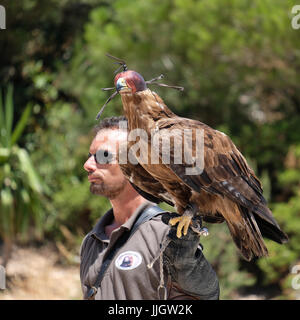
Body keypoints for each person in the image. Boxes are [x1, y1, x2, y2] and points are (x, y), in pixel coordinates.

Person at [80, 116, 220, 300]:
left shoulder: (168, 235)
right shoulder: (91, 241)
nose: (88, 165)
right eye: (90, 155)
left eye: (102, 156)